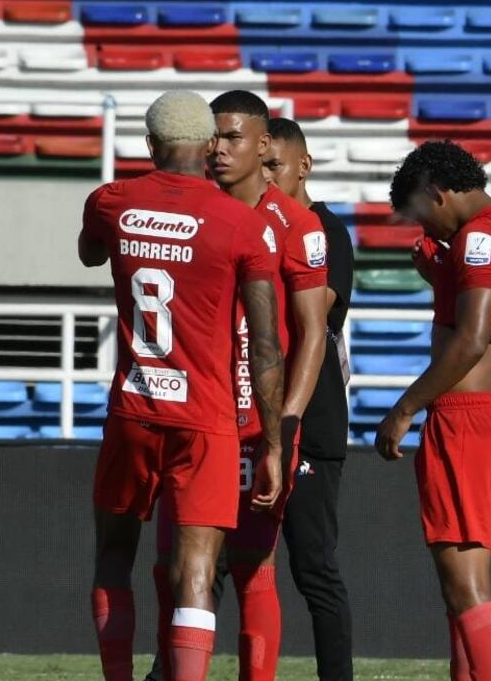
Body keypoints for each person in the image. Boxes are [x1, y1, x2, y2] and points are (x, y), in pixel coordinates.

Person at [78, 90, 285, 681]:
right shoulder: (241, 223)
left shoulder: (113, 200)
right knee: (196, 566)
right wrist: (271, 443)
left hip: (135, 406)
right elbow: (265, 347)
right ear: (210, 145)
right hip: (207, 418)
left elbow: (91, 253)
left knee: (114, 556)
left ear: (149, 146)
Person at [375, 140, 491, 681]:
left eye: (423, 215)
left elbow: (472, 340)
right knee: (468, 588)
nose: (425, 231)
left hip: (465, 420)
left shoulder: (478, 239)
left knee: (464, 589)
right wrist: (441, 277)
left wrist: (404, 408)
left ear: (438, 192)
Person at [263, 117, 355, 680]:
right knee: (217, 560)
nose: (266, 177)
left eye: (275, 165)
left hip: (310, 421)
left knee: (313, 566)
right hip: (252, 415)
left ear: (304, 165)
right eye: (261, 165)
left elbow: (310, 316)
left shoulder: (325, 231)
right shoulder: (259, 228)